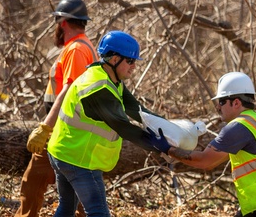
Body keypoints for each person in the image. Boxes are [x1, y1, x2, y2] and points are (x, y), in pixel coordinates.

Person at [46, 30, 171, 217]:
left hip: (62, 152)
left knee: (66, 207)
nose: (134, 66)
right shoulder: (100, 89)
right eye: (130, 61)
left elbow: (135, 108)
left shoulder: (109, 78)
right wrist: (160, 146)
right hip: (79, 160)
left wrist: (166, 127)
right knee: (98, 212)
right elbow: (124, 127)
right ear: (114, 59)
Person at [167, 71, 256, 217]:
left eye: (221, 101)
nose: (218, 107)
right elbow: (213, 160)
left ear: (236, 102)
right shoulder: (254, 121)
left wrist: (168, 149)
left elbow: (205, 161)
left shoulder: (239, 127)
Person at [17, 0, 98, 217]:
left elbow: (69, 92)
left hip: (63, 130)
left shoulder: (76, 50)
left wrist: (45, 128)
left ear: (62, 22)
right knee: (77, 192)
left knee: (33, 183)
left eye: (57, 22)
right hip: (66, 129)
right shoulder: (79, 47)